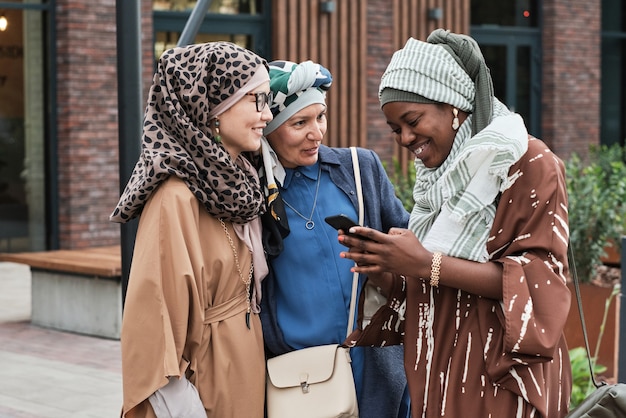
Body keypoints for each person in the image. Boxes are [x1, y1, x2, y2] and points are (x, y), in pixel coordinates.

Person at [338, 29, 572, 418]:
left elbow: (540, 284)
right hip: (437, 369)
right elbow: (436, 284)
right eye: (396, 129)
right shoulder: (442, 179)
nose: (405, 138)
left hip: (501, 376)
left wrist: (422, 264)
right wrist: (388, 269)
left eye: (412, 121)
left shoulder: (527, 162)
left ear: (454, 106)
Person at [110, 41, 273, 418]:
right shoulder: (177, 196)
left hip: (242, 370)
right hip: (208, 385)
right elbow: (154, 324)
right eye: (256, 101)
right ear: (212, 107)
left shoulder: (238, 182)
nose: (266, 115)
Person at [258, 59, 411, 418]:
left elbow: (410, 243)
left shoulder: (361, 168)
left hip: (374, 367)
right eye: (299, 123)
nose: (317, 133)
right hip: (301, 378)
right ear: (269, 130)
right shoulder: (254, 196)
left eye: (320, 117)